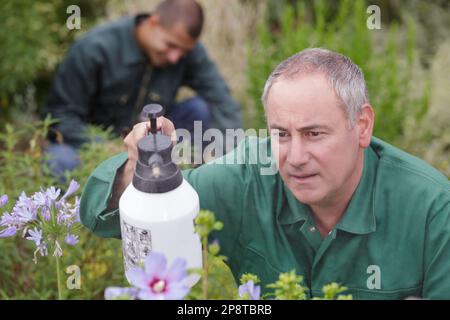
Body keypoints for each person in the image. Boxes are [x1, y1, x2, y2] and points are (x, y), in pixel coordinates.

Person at [79, 48, 450, 299]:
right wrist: (141, 167)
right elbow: (102, 216)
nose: (296, 157)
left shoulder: (432, 209)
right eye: (281, 134)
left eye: (314, 133)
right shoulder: (245, 178)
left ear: (363, 125)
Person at [42, 0, 242, 177]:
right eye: (170, 45)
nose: (175, 57)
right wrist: (109, 147)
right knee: (60, 160)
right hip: (95, 144)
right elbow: (60, 116)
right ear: (153, 22)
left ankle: (197, 182)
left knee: (198, 110)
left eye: (183, 51)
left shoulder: (185, 51)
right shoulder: (95, 49)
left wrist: (235, 158)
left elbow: (221, 99)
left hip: (152, 138)